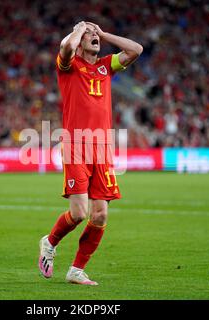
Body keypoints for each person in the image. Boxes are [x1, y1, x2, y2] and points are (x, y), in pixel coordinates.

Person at [38, 22, 142, 285]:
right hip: (76, 146)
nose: (94, 37)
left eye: (96, 35)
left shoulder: (106, 66)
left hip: (103, 148)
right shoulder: (69, 66)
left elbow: (136, 49)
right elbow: (65, 47)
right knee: (79, 213)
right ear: (79, 39)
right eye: (90, 35)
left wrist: (103, 33)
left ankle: (76, 270)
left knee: (101, 215)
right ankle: (49, 243)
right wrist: (79, 28)